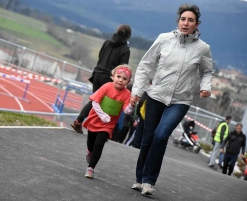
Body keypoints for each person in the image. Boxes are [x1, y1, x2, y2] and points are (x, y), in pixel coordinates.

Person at [130, 4, 213, 196]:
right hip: (156, 95)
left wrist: (205, 87)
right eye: (183, 19)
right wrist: (137, 90)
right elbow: (145, 65)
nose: (186, 23)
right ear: (178, 21)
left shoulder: (203, 48)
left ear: (197, 24)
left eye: (190, 20)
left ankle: (149, 181)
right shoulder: (164, 39)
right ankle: (139, 178)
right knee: (148, 138)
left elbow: (207, 71)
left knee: (161, 136)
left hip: (180, 100)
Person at [71, 24, 132, 133]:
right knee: (100, 101)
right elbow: (123, 69)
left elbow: (100, 56)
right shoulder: (125, 49)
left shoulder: (107, 42)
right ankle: (87, 124)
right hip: (108, 77)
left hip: (97, 73)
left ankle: (85, 123)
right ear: (128, 36)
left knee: (96, 99)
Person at [82, 65, 135, 179]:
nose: (121, 80)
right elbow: (95, 102)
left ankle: (91, 168)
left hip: (108, 124)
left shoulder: (127, 94)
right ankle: (89, 151)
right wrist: (103, 115)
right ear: (113, 76)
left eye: (124, 79)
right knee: (91, 142)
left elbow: (126, 110)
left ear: (128, 81)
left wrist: (131, 105)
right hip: (95, 118)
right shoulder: (106, 87)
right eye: (119, 76)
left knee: (99, 144)